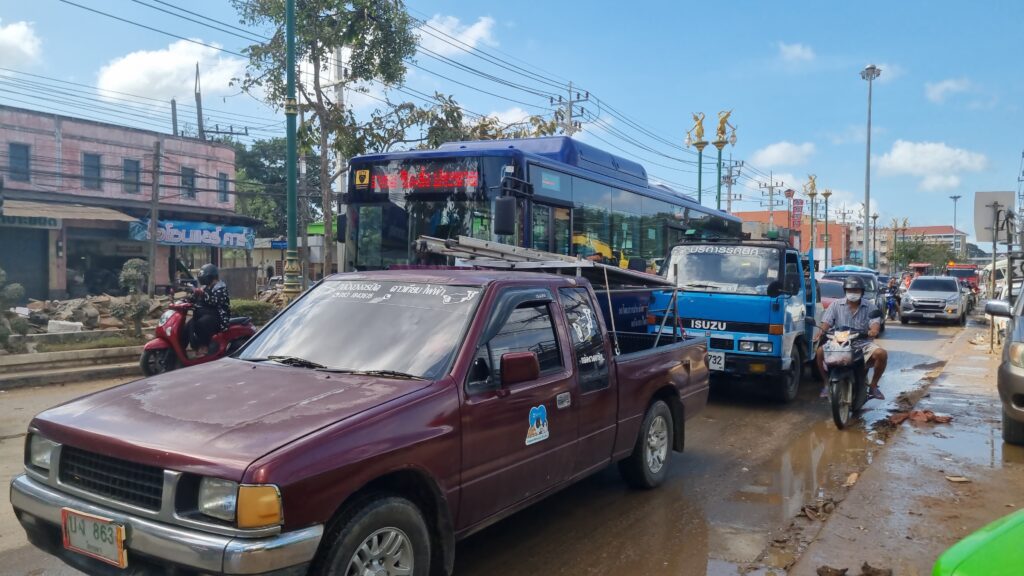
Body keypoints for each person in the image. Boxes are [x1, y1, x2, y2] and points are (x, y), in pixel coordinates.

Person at [816, 276, 887, 400]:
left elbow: (875, 323)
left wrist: (874, 330)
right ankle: (826, 383)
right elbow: (826, 322)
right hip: (839, 341)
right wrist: (821, 331)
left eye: (856, 290)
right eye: (850, 290)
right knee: (820, 352)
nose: (853, 293)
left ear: (862, 292)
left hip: (862, 343)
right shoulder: (836, 305)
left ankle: (874, 386)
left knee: (881, 354)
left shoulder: (870, 306)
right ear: (845, 291)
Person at [187, 263, 230, 357]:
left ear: (211, 277)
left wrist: (202, 294)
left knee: (202, 323)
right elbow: (194, 298)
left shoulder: (221, 287)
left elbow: (215, 302)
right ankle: (190, 347)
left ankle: (205, 347)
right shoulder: (206, 287)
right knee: (189, 325)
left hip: (219, 318)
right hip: (207, 315)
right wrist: (189, 297)